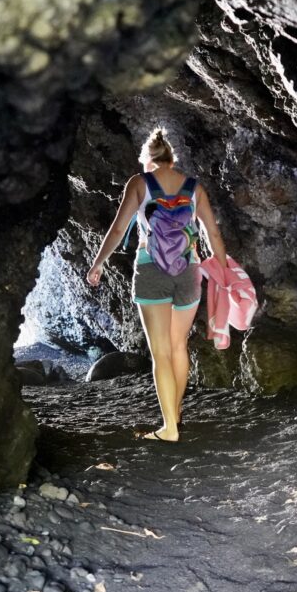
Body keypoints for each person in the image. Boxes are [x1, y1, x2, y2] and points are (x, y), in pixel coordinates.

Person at [86, 128, 227, 442]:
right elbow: (212, 233)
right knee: (179, 346)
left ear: (147, 160)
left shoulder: (139, 183)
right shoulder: (194, 188)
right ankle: (174, 413)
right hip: (190, 272)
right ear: (172, 159)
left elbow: (119, 227)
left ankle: (170, 428)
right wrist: (224, 268)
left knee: (160, 352)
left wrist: (98, 262)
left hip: (152, 271)